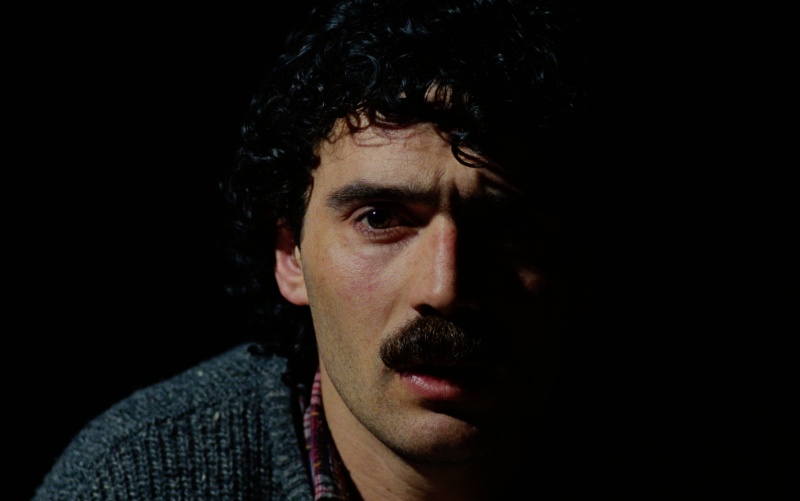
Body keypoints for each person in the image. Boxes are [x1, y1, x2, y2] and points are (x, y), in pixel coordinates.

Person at [34, 0, 604, 499]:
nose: (444, 287)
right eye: (379, 219)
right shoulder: (134, 480)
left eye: (507, 227)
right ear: (291, 255)